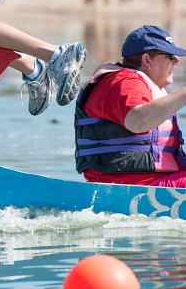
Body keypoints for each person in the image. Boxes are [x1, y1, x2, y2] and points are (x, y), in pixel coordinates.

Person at [75, 25, 186, 187]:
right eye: (170, 56)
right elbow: (137, 121)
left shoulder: (135, 83)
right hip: (137, 185)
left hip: (151, 182)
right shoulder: (125, 81)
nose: (176, 62)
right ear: (146, 59)